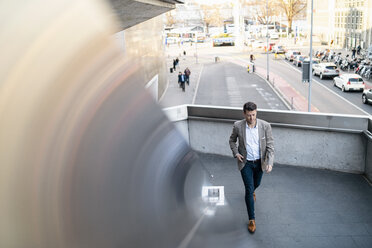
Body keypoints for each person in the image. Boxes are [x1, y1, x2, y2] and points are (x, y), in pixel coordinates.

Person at [229, 102, 274, 234]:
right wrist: (236, 153)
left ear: (256, 112)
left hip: (260, 162)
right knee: (248, 189)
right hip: (245, 163)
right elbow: (232, 140)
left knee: (257, 183)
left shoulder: (265, 126)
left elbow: (270, 146)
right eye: (249, 115)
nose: (252, 118)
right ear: (244, 114)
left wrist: (270, 162)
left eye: (254, 115)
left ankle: (252, 191)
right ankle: (252, 219)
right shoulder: (238, 126)